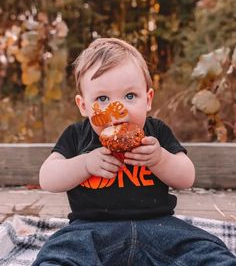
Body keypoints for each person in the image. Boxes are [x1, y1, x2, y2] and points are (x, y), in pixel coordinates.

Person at [33, 38, 236, 266]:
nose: (118, 111)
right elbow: (47, 178)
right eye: (102, 98)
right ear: (83, 106)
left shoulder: (155, 132)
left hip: (159, 227)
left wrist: (160, 159)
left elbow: (187, 177)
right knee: (59, 254)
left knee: (208, 250)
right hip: (91, 230)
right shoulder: (76, 135)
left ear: (147, 99)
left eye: (130, 96)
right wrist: (84, 164)